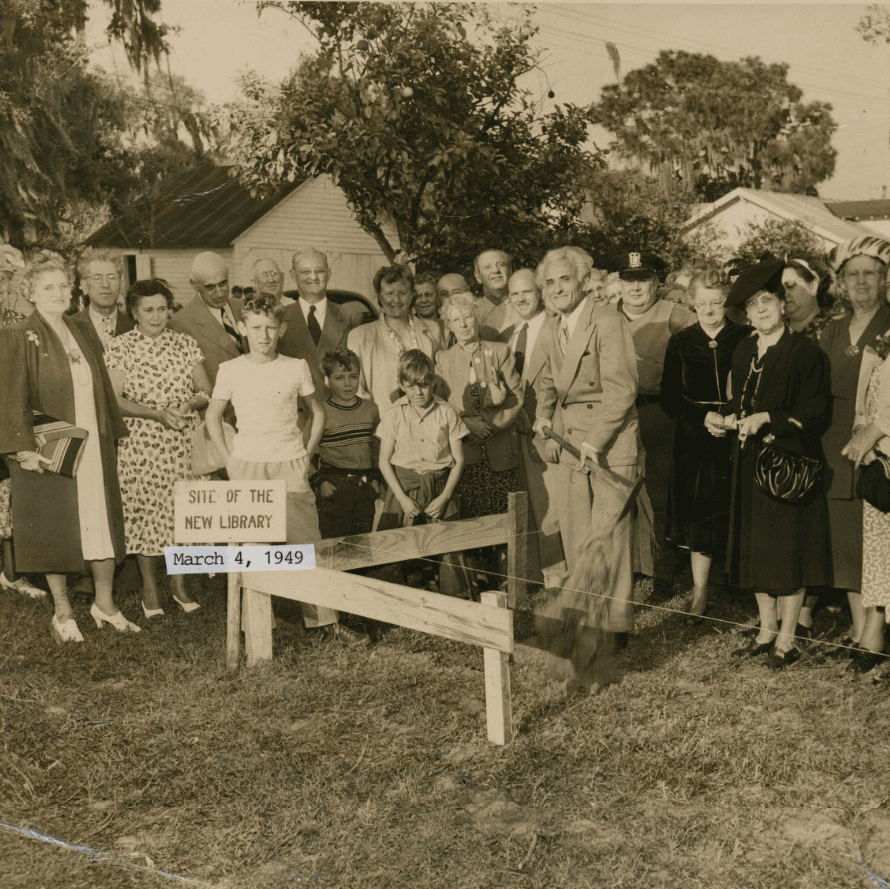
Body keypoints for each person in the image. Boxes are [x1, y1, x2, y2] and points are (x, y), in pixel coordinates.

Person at [206, 293, 367, 645]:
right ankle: (257, 627)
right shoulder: (230, 370)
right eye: (256, 327)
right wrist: (229, 457)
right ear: (243, 328)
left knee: (306, 543)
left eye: (271, 328)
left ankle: (324, 621)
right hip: (248, 466)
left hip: (290, 464)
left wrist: (306, 454)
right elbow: (212, 417)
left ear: (281, 330)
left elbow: (317, 412)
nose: (264, 335)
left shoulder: (294, 366)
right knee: (252, 550)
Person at [0, 251, 138, 642]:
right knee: (55, 525)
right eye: (48, 287)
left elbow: (101, 391)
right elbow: (10, 397)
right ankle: (62, 611)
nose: (58, 292)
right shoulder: (18, 334)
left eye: (63, 285)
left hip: (92, 447)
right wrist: (22, 450)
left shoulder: (81, 329)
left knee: (101, 521)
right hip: (47, 451)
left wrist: (112, 436)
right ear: (30, 292)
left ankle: (105, 604)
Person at [719, 260, 832, 669]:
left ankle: (788, 639)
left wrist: (770, 419)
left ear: (782, 304)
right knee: (754, 547)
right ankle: (766, 630)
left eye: (767, 301)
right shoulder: (744, 349)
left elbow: (816, 410)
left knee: (787, 549)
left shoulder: (805, 352)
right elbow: (738, 403)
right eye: (752, 305)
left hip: (787, 465)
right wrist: (725, 419)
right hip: (748, 462)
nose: (761, 310)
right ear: (745, 314)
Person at [533, 247, 640, 639]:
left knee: (610, 535)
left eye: (565, 279)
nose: (558, 288)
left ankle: (616, 624)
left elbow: (621, 391)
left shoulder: (608, 321)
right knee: (578, 534)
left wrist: (595, 441)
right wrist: (542, 419)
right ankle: (587, 617)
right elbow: (547, 380)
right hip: (571, 442)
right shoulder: (550, 325)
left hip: (609, 443)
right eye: (550, 282)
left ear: (582, 281)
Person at [104, 279, 211, 617]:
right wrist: (156, 413)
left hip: (182, 439)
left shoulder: (185, 343)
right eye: (148, 309)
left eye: (162, 308)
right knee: (146, 514)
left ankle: (179, 586)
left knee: (181, 514)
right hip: (142, 441)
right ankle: (150, 589)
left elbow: (206, 389)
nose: (156, 315)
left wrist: (188, 405)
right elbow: (115, 400)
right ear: (133, 312)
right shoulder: (119, 346)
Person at [814, 236, 890, 650]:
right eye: (853, 274)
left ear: (883, 279)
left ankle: (874, 630)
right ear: (841, 282)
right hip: (833, 446)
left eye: (870, 274)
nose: (862, 282)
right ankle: (860, 626)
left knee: (875, 536)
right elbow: (816, 390)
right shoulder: (832, 330)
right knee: (845, 541)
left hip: (879, 446)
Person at [661, 269, 749, 622]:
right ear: (691, 303)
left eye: (717, 302)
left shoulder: (746, 337)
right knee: (700, 514)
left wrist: (732, 418)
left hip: (738, 431)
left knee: (738, 507)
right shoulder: (681, 341)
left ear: (727, 302)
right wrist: (703, 419)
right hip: (695, 437)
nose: (710, 309)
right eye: (702, 303)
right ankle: (700, 591)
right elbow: (669, 397)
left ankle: (743, 584)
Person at [611, 249, 696, 593]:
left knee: (660, 494)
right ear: (619, 284)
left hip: (658, 412)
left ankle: (663, 572)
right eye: (629, 280)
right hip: (616, 417)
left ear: (656, 284)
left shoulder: (676, 316)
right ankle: (625, 569)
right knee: (618, 491)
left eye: (643, 280)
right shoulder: (604, 316)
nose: (635, 288)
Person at [377, 350, 469, 594]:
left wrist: (445, 497)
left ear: (433, 382)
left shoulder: (447, 412)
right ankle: (393, 603)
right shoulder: (394, 413)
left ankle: (454, 602)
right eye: (411, 386)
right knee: (393, 548)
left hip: (439, 486)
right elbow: (384, 461)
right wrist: (403, 499)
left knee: (449, 548)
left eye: (425, 386)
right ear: (401, 385)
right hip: (403, 488)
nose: (418, 393)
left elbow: (459, 460)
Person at [501, 269, 567, 589]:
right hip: (519, 434)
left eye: (527, 292)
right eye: (515, 294)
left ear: (540, 292)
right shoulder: (508, 336)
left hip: (551, 431)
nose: (522, 299)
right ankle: (538, 573)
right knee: (533, 506)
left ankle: (559, 573)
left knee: (554, 505)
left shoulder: (557, 327)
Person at [436, 291, 524, 520]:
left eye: (467, 317)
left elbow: (516, 397)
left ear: (478, 318)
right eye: (456, 320)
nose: (463, 324)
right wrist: (465, 424)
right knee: (472, 524)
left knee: (504, 521)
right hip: (465, 455)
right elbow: (440, 404)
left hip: (501, 451)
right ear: (450, 326)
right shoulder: (443, 359)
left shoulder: (500, 351)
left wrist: (489, 426)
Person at [840, 329, 890, 674]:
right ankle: (875, 634)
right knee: (879, 554)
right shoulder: (881, 340)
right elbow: (866, 400)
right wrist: (864, 435)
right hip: (881, 464)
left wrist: (873, 435)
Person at [0, 246, 43, 599]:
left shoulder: (13, 320)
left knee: (8, 493)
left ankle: (11, 573)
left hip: (8, 416)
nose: (0, 285)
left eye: (4, 278)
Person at [347, 265, 442, 411]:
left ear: (412, 295)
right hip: (383, 425)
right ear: (379, 296)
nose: (396, 299)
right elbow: (358, 392)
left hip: (428, 422)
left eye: (402, 293)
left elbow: (441, 382)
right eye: (389, 293)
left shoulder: (431, 330)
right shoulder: (359, 337)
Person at [312, 347, 381, 539]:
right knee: (334, 548)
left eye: (353, 376)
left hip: (365, 488)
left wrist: (376, 479)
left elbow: (376, 448)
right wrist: (320, 481)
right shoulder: (321, 412)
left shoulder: (371, 409)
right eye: (340, 378)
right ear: (327, 380)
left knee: (363, 546)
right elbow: (303, 453)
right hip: (334, 488)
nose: (348, 384)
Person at [167, 251, 244, 392]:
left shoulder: (243, 308)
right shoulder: (179, 324)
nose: (220, 292)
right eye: (210, 287)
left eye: (223, 283)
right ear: (194, 285)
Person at [278, 248, 353, 389]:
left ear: (329, 274)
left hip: (337, 406)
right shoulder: (279, 319)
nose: (313, 277)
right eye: (305, 272)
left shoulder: (349, 317)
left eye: (319, 271)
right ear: (293, 275)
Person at [75, 248, 134, 348]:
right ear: (85, 286)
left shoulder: (135, 326)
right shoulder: (70, 326)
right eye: (97, 277)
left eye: (112, 277)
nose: (105, 285)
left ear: (122, 284)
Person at [782, 257, 839, 343]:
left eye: (790, 285)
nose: (784, 293)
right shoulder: (775, 328)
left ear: (813, 286)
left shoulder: (833, 333)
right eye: (780, 288)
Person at [474, 249, 515, 332]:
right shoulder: (472, 313)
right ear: (478, 277)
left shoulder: (525, 307)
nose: (495, 270)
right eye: (487, 267)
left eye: (501, 264)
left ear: (510, 271)